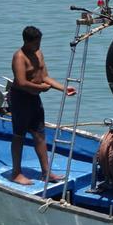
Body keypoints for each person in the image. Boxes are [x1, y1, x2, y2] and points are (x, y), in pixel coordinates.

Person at [9, 25, 76, 185]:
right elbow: (21, 82)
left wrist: (63, 89)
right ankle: (16, 173)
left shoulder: (38, 53)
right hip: (20, 99)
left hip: (34, 100)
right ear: (27, 41)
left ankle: (46, 172)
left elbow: (44, 76)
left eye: (39, 43)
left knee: (39, 134)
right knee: (19, 135)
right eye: (35, 43)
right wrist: (40, 88)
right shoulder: (19, 57)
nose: (38, 46)